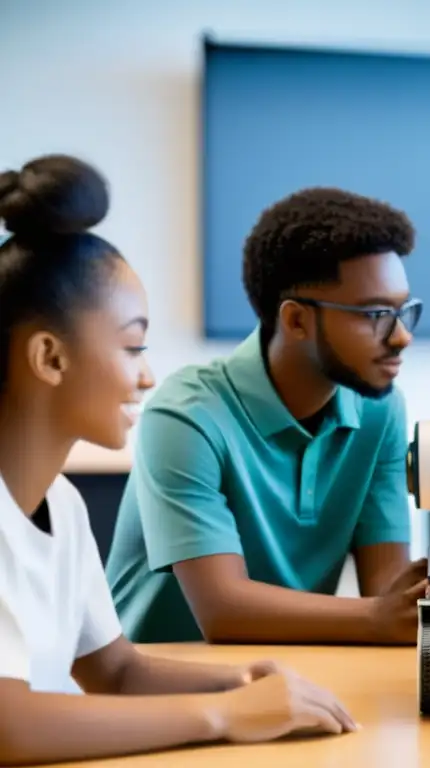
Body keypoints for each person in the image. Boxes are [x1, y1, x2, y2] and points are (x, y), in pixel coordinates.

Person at [0, 154, 357, 765]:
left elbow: (113, 669)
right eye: (133, 345)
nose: (146, 376)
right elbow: (9, 726)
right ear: (50, 359)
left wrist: (246, 685)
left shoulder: (61, 503)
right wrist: (224, 716)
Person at [104, 185, 427, 644]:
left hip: (292, 676)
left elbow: (390, 600)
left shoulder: (381, 411)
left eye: (403, 311)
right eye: (375, 314)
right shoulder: (185, 416)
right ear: (296, 321)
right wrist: (377, 617)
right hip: (154, 691)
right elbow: (222, 610)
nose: (401, 337)